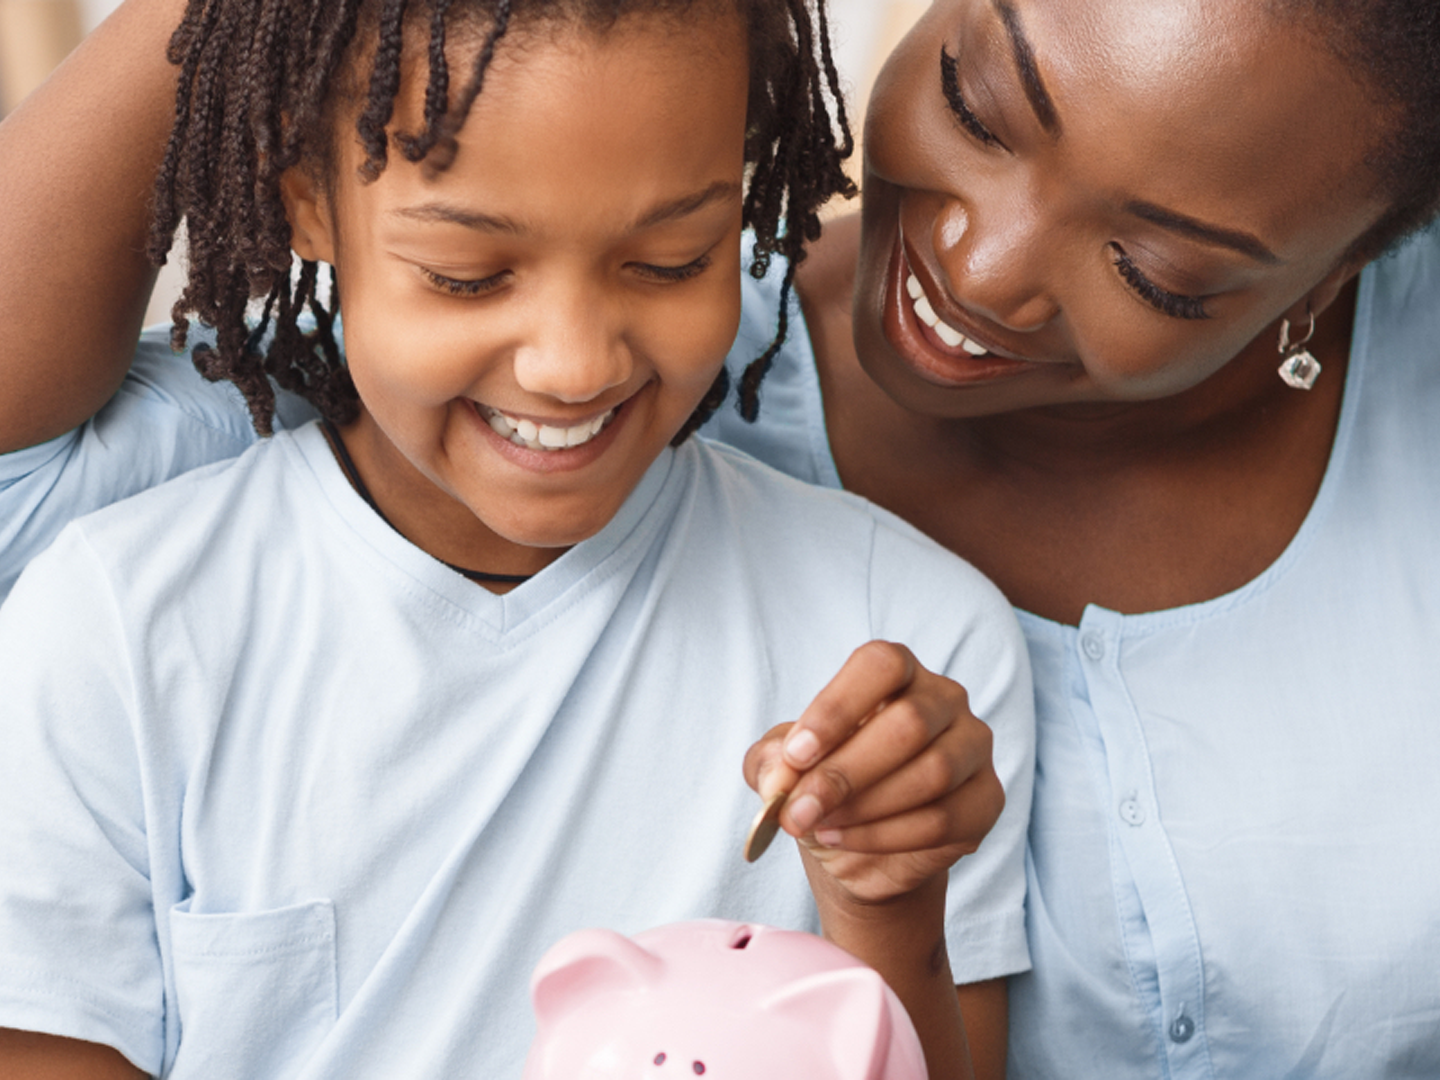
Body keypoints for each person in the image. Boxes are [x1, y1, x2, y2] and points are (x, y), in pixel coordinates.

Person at [10, 0, 1437, 1076]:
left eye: (1158, 270)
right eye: (980, 105)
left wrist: (887, 900)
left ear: (1347, 274)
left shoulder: (902, 621)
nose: (981, 269)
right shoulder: (149, 591)